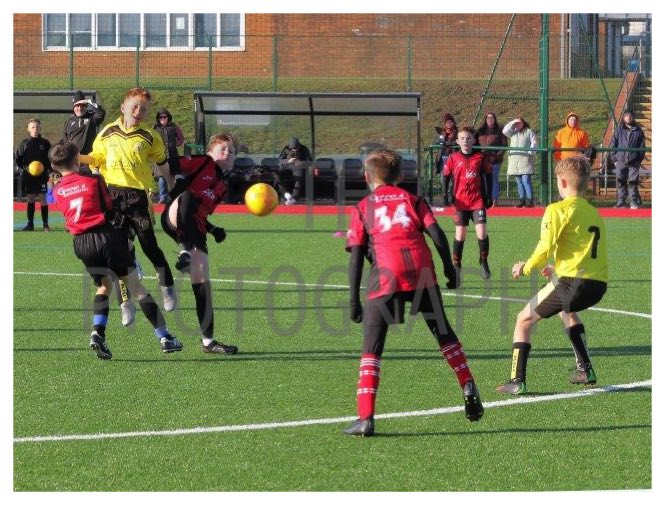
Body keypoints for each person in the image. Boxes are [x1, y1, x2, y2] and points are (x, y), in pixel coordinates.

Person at [343, 149, 483, 436]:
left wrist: (354, 300)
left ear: (367, 177)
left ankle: (366, 417)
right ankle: (467, 383)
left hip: (386, 277)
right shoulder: (413, 200)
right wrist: (450, 270)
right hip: (422, 272)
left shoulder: (362, 207)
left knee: (372, 348)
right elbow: (437, 234)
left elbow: (356, 257)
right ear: (401, 176)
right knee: (444, 334)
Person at [49, 141, 183, 358]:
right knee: (137, 288)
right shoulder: (93, 180)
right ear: (77, 160)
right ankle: (165, 337)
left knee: (103, 286)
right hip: (105, 236)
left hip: (81, 243)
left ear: (54, 166)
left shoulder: (57, 190)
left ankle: (97, 333)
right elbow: (109, 207)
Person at [496, 156, 607, 395]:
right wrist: (557, 270)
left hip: (572, 283)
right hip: (598, 285)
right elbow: (585, 252)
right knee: (566, 311)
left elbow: (543, 248)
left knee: (523, 320)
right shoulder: (594, 213)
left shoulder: (557, 209)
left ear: (563, 182)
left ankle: (516, 381)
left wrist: (524, 267)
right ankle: (585, 369)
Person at [80, 87, 183, 314]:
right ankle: (125, 303)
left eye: (143, 109)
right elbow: (95, 158)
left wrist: (173, 188)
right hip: (113, 198)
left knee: (149, 246)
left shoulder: (150, 136)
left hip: (138, 197)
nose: (138, 111)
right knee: (120, 251)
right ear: (123, 107)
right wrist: (76, 157)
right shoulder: (108, 132)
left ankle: (167, 286)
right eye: (134, 107)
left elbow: (163, 165)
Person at [160, 133, 239, 355]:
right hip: (174, 214)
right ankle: (183, 250)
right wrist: (170, 148)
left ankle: (208, 342)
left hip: (196, 228)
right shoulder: (203, 162)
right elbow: (171, 165)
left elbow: (201, 214)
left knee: (202, 283)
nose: (228, 153)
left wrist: (213, 230)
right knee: (188, 196)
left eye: (232, 151)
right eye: (223, 149)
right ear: (210, 152)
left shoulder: (222, 185)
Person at [442, 126, 493, 280]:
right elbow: (445, 176)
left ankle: (483, 261)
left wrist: (488, 195)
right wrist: (445, 195)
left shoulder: (480, 157)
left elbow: (489, 175)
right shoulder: (453, 158)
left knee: (482, 233)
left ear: (473, 140)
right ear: (458, 141)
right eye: (462, 138)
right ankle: (457, 265)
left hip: (477, 201)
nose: (465, 141)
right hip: (460, 203)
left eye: (468, 138)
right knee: (460, 235)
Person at [15, 118, 52, 231]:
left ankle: (45, 225)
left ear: (40, 129)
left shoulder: (45, 143)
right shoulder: (24, 143)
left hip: (42, 176)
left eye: (37, 127)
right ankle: (30, 224)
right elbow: (18, 158)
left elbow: (50, 159)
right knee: (30, 198)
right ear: (28, 129)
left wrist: (49, 170)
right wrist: (25, 168)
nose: (35, 129)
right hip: (28, 175)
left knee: (43, 198)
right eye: (33, 127)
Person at [61, 90, 106, 173]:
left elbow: (101, 113)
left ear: (86, 106)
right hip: (72, 161)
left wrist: (89, 102)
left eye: (82, 106)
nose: (79, 108)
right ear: (73, 107)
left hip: (88, 160)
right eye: (77, 106)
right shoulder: (68, 122)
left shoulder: (92, 118)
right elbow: (63, 142)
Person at [609, 110, 646, 209]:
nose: (628, 117)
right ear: (623, 117)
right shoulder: (619, 130)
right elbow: (613, 145)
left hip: (634, 162)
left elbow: (642, 147)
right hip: (620, 161)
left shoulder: (639, 131)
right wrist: (614, 160)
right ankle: (621, 202)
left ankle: (633, 202)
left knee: (633, 182)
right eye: (626, 116)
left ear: (633, 117)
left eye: (630, 116)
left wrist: (638, 160)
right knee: (621, 181)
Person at [503, 116, 538, 208]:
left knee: (526, 180)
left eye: (520, 122)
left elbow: (534, 142)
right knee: (519, 181)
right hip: (514, 159)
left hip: (525, 159)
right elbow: (505, 131)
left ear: (523, 123)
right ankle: (522, 200)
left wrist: (531, 151)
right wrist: (513, 122)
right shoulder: (512, 132)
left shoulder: (529, 131)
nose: (518, 124)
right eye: (516, 123)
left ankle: (530, 200)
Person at [153, 108, 185, 204]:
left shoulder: (174, 126)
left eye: (164, 117)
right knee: (162, 176)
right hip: (160, 156)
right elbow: (151, 139)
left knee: (175, 175)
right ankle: (163, 197)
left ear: (168, 117)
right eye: (160, 117)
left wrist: (176, 144)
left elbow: (181, 138)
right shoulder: (155, 128)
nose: (162, 119)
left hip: (173, 155)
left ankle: (174, 195)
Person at [476, 112, 507, 207]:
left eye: (492, 118)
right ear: (485, 120)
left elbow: (504, 145)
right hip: (482, 159)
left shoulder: (500, 130)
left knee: (493, 179)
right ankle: (484, 198)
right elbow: (475, 143)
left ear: (495, 119)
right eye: (488, 118)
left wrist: (498, 155)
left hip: (495, 160)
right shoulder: (480, 131)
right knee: (483, 179)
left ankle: (494, 199)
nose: (490, 120)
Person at [275, 137, 312, 204]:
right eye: (292, 148)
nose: (294, 149)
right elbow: (279, 161)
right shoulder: (286, 148)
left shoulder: (304, 149)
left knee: (300, 178)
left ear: (299, 145)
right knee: (277, 175)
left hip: (299, 166)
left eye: (295, 148)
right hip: (287, 166)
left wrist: (301, 162)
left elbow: (310, 162)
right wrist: (287, 161)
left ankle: (294, 198)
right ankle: (286, 193)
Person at [433, 113, 458, 205]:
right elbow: (437, 142)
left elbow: (456, 143)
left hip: (453, 158)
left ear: (453, 123)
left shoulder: (457, 132)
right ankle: (445, 198)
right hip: (442, 158)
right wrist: (443, 141)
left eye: (450, 122)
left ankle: (453, 197)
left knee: (454, 179)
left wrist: (444, 143)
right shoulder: (441, 133)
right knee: (443, 179)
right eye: (447, 122)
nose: (449, 124)